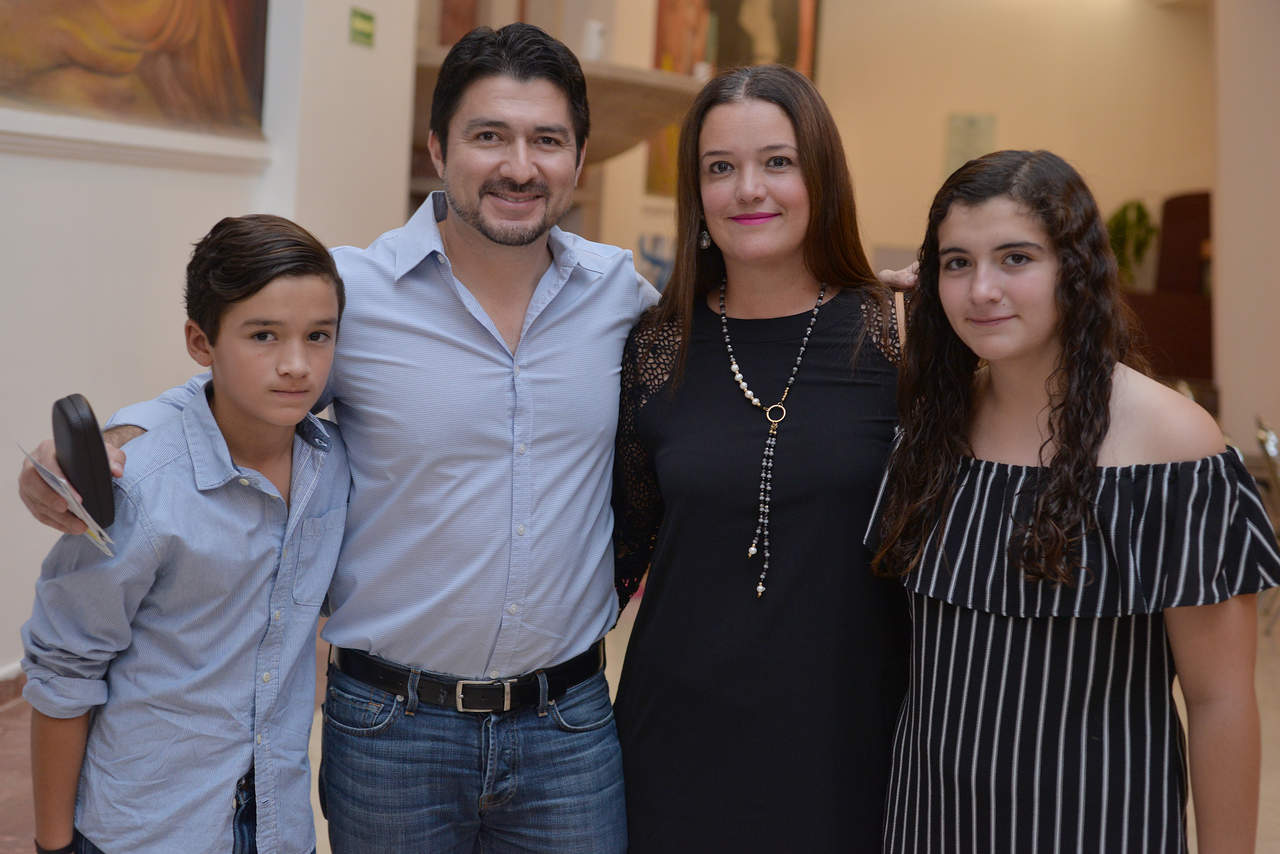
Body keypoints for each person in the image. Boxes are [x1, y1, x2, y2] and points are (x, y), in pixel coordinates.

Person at [19, 22, 656, 854]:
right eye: (488, 136)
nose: (518, 166)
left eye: (547, 140)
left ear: (579, 157)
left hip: (568, 726)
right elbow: (223, 394)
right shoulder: (354, 293)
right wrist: (89, 452)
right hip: (393, 727)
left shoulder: (621, 295)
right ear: (438, 147)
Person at [870, 149, 1280, 853]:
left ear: (1075, 268)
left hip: (1096, 827)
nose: (982, 290)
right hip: (929, 823)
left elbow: (1220, 701)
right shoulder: (929, 428)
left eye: (1016, 258)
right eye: (957, 262)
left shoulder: (1173, 444)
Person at [611, 64, 909, 852]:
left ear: (822, 177)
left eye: (778, 161)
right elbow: (621, 550)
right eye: (720, 167)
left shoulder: (897, 337)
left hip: (846, 740)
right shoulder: (656, 349)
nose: (749, 189)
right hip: (674, 742)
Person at [23, 214, 349, 854]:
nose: (296, 365)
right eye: (263, 335)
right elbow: (63, 673)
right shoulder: (140, 490)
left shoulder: (333, 466)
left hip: (280, 822)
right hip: (148, 829)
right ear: (202, 343)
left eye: (318, 336)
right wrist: (52, 847)